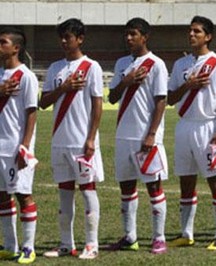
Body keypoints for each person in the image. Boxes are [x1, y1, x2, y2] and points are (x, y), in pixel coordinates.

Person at [39, 18, 103, 259]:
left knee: (88, 190)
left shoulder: (91, 67)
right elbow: (43, 102)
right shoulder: (55, 68)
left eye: (69, 37)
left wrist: (91, 138)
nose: (64, 41)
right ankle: (66, 244)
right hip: (59, 140)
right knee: (64, 192)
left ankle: (92, 244)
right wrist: (63, 88)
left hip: (81, 141)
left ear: (80, 39)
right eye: (62, 37)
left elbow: (98, 103)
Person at [167, 16, 216, 250]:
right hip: (185, 126)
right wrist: (188, 85)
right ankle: (186, 233)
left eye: (197, 31)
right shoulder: (180, 65)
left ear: (208, 36)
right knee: (186, 180)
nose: (192, 35)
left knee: (215, 180)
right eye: (190, 31)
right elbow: (171, 98)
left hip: (208, 126)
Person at [107, 18, 168, 254]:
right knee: (127, 188)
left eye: (133, 34)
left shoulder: (156, 64)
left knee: (154, 187)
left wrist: (152, 134)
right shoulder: (122, 63)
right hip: (124, 135)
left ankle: (159, 237)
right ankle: (130, 236)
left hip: (146, 136)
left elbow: (160, 100)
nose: (129, 38)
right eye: (126, 34)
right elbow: (112, 97)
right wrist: (126, 81)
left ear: (145, 36)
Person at [0, 27, 38, 264]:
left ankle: (28, 247)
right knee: (2, 196)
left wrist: (25, 146)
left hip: (15, 146)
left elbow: (31, 113)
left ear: (16, 48)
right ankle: (10, 245)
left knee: (24, 195)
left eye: (2, 42)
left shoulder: (26, 76)